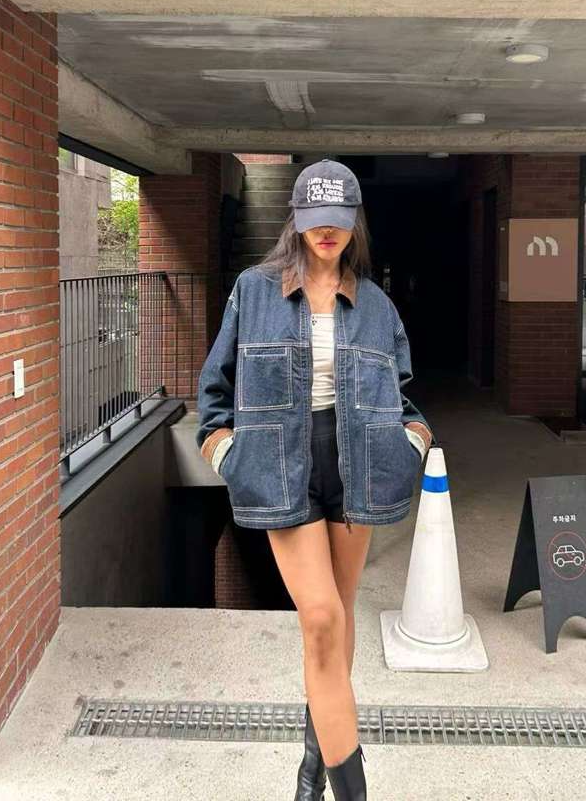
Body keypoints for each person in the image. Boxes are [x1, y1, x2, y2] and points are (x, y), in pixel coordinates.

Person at [196, 158, 435, 801]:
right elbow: (215, 394)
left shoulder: (376, 304)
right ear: (295, 220)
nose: (326, 232)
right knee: (323, 617)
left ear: (354, 221)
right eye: (314, 219)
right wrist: (230, 457)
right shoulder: (253, 290)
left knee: (337, 617)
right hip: (279, 467)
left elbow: (403, 398)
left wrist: (409, 445)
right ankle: (353, 789)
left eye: (337, 219)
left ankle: (313, 767)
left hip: (357, 463)